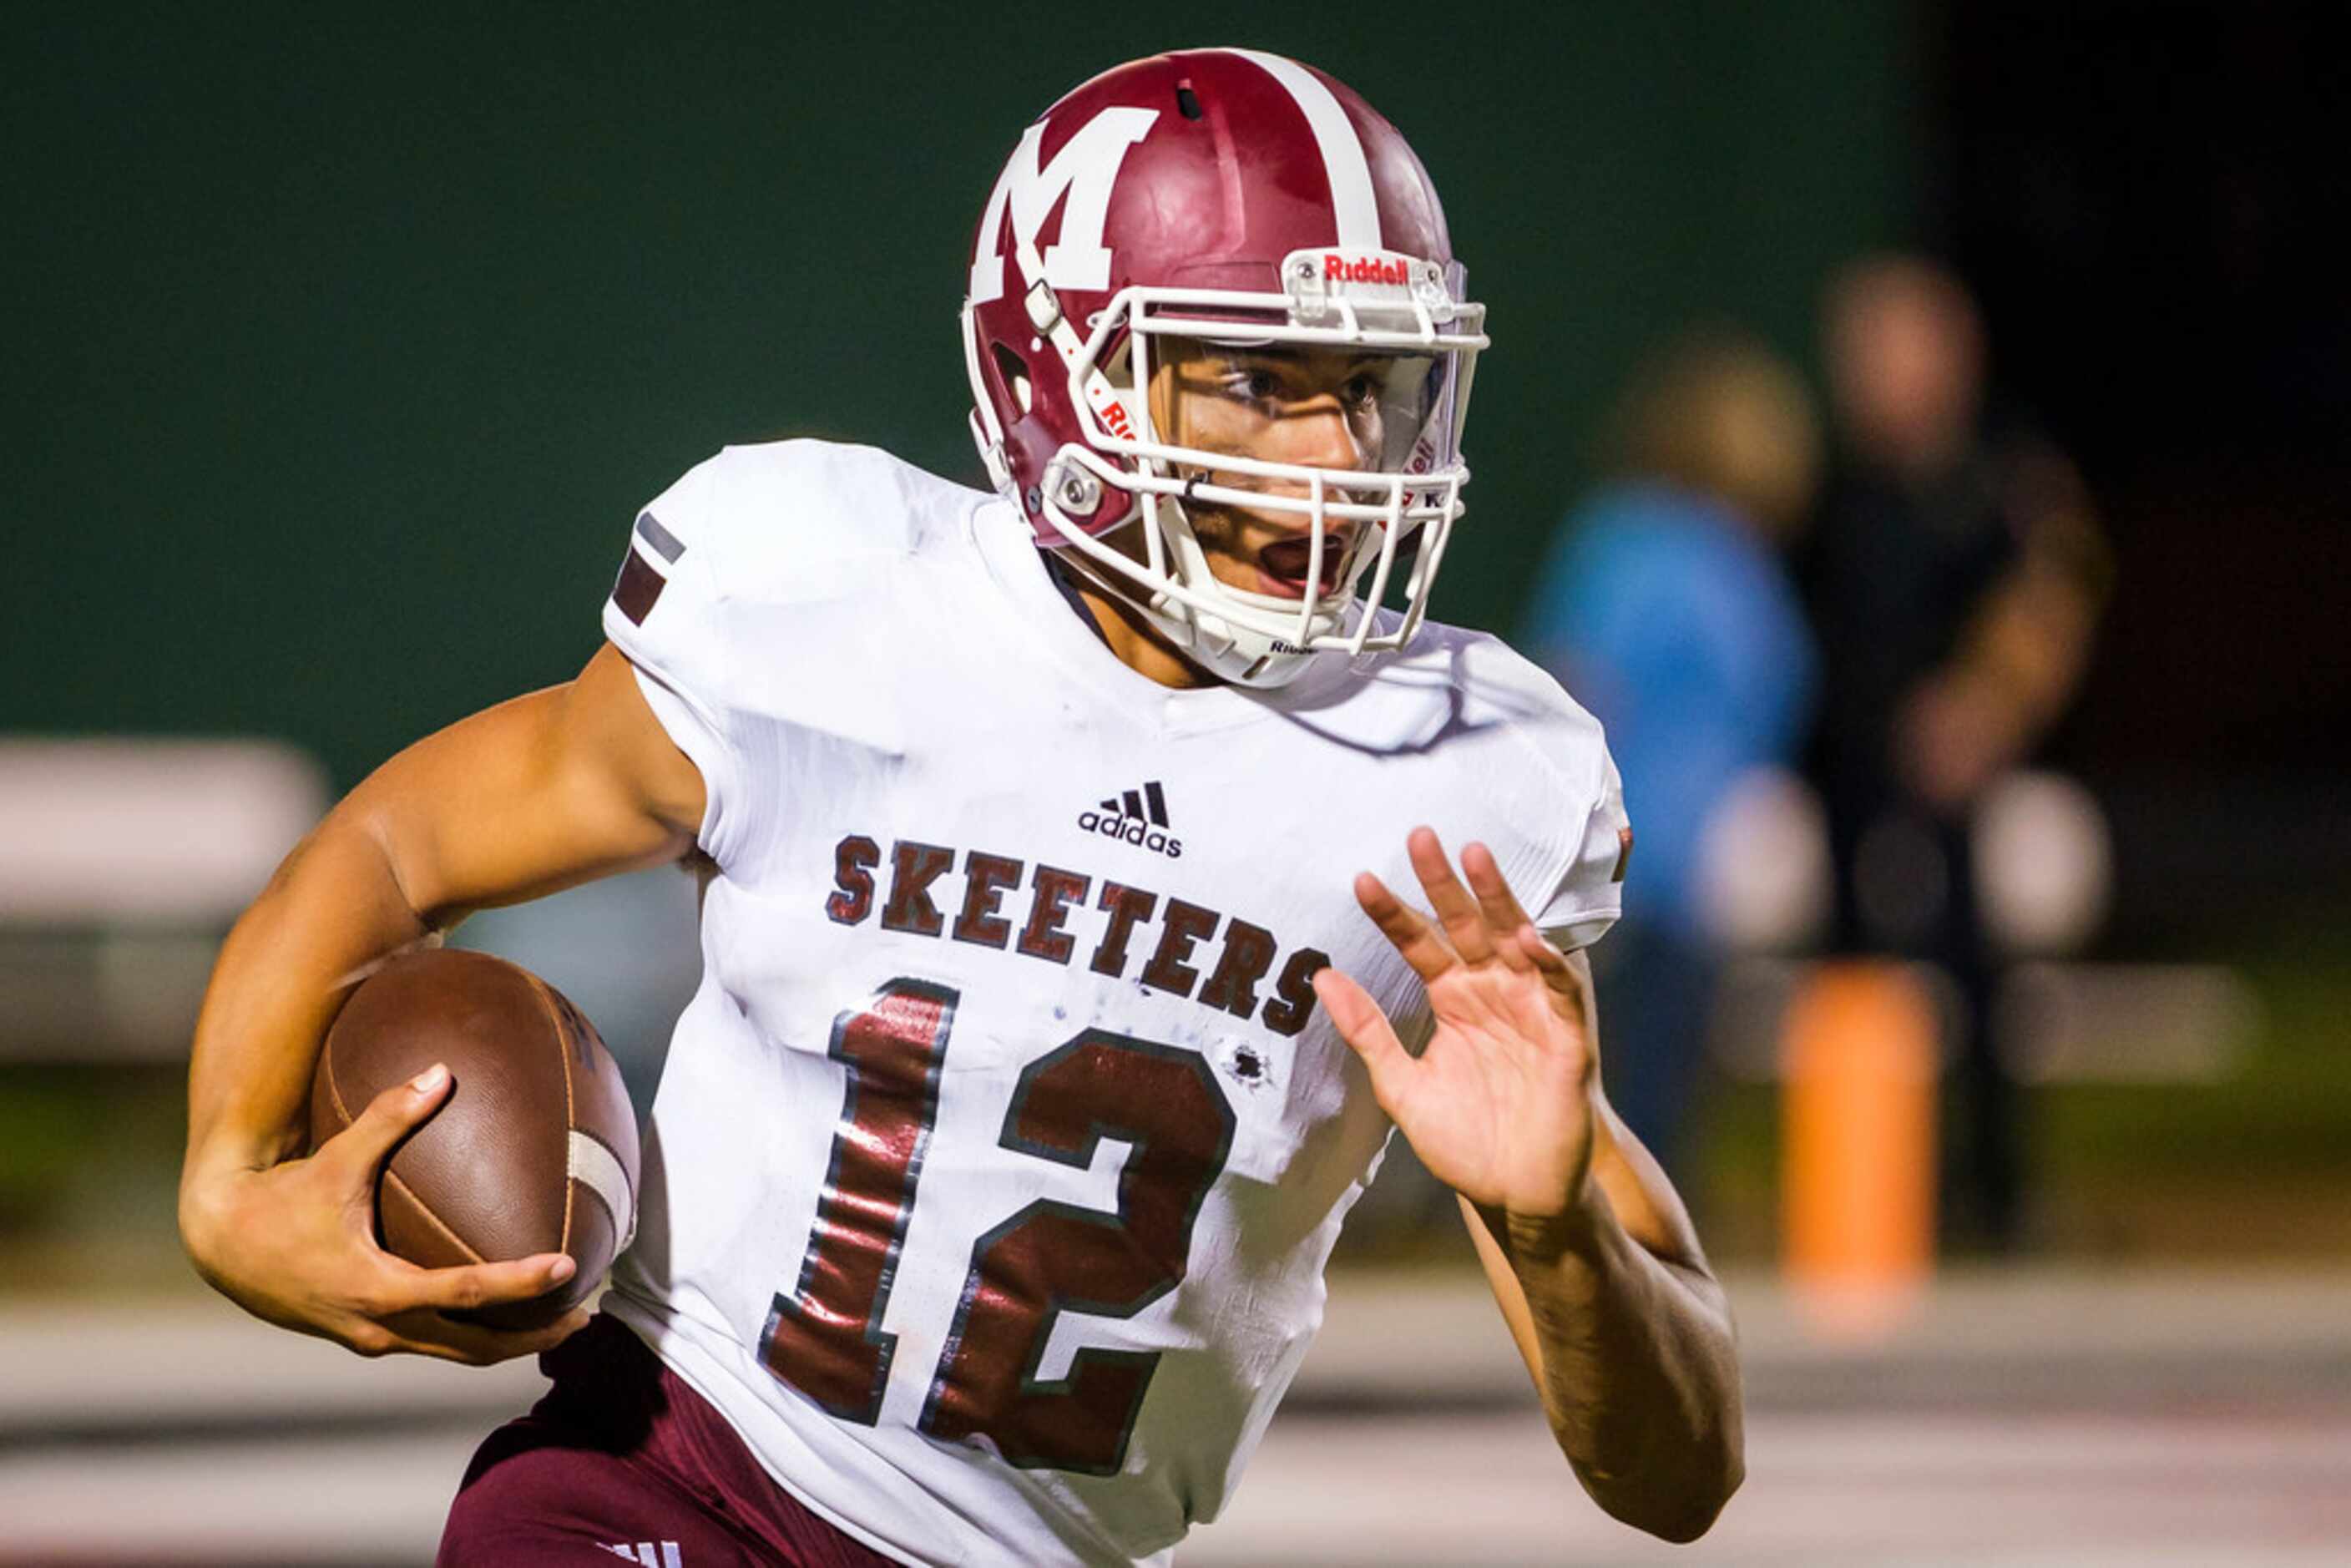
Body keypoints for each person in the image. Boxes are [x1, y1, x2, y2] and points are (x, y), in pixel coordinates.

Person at [177, 50, 1742, 1565]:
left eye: (1371, 386)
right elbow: (393, 846)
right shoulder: (835, 605)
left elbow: (1679, 1479)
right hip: (677, 1466)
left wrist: (1559, 1239)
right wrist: (228, 1180)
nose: (1339, 453)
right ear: (1070, 374)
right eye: (1262, 379)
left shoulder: (1457, 786)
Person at [1802, 255, 2109, 1252]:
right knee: (1853, 970)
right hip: (1847, 776)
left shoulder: (2003, 480)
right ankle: (1870, 1207)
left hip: (1966, 771)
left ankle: (1994, 1200)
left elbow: (2052, 604)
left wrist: (1982, 712)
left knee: (1974, 969)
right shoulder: (1830, 489)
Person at [1523, 331, 1820, 1181]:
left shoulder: (1740, 554)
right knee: (1612, 1074)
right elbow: (1577, 684)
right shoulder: (1634, 539)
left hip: (1706, 873)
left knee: (1672, 1074)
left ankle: (1651, 1224)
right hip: (1627, 864)